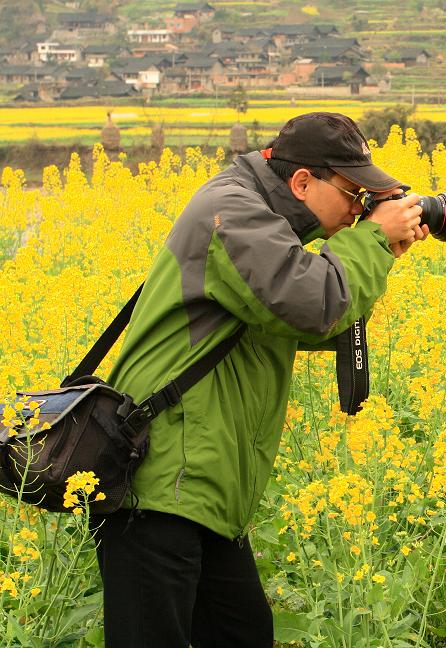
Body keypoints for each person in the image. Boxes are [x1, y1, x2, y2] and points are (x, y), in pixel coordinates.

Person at [88, 112, 428, 647]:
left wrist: (380, 255)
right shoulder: (235, 212)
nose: (361, 210)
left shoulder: (260, 216)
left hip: (203, 484)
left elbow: (300, 323)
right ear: (302, 182)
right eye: (354, 195)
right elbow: (313, 304)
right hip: (162, 482)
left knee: (243, 634)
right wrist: (372, 244)